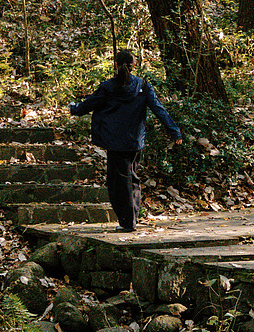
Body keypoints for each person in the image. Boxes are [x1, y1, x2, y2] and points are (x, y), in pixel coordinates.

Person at [69, 50, 182, 232]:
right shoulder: (143, 86)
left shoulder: (108, 87)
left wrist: (74, 109)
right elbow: (159, 109)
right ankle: (131, 219)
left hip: (115, 142)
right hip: (135, 141)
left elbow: (89, 104)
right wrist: (174, 131)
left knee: (118, 183)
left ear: (116, 65)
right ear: (134, 66)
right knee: (132, 178)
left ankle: (128, 222)